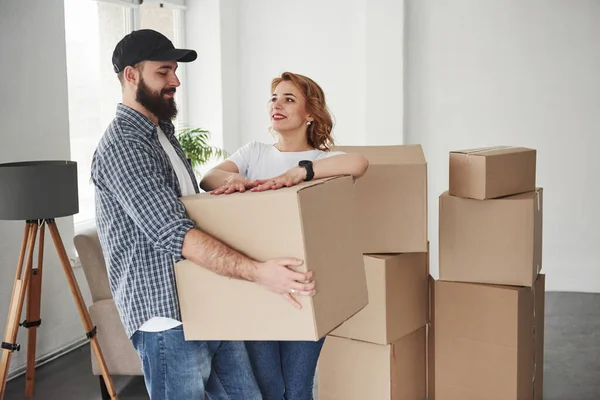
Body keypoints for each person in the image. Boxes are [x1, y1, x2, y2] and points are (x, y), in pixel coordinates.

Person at [91, 30, 317, 400]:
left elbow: (186, 209)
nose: (175, 81)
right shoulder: (125, 146)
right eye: (164, 72)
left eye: (175, 71)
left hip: (204, 299)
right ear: (131, 75)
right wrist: (259, 273)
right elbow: (174, 234)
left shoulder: (161, 132)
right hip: (166, 317)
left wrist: (223, 196)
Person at [200, 71, 369, 400]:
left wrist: (300, 171)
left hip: (306, 290)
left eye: (289, 99)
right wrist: (236, 182)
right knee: (269, 389)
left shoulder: (323, 159)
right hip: (259, 288)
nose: (277, 104)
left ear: (309, 114)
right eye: (274, 98)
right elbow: (209, 178)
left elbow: (359, 163)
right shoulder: (254, 153)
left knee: (297, 389)